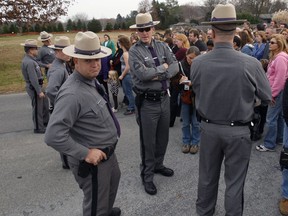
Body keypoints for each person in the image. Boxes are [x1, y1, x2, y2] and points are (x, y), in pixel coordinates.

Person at [190, 4, 271, 215]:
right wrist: (248, 100)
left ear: (213, 32)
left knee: (207, 179)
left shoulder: (198, 63)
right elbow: (266, 96)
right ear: (235, 31)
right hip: (238, 131)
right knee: (234, 184)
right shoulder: (251, 63)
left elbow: (197, 90)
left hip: (209, 128)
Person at [45, 31, 121, 216]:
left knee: (108, 193)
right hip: (94, 162)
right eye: (88, 60)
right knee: (95, 207)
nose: (95, 64)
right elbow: (53, 135)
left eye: (97, 58)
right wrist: (85, 153)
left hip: (108, 154)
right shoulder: (72, 93)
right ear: (75, 61)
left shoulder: (90, 80)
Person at [129, 12, 178, 195]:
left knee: (163, 138)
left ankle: (158, 165)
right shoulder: (134, 51)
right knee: (147, 142)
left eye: (147, 28)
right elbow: (143, 75)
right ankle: (147, 175)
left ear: (153, 29)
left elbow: (174, 67)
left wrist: (160, 72)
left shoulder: (163, 46)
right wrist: (162, 68)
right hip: (147, 103)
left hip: (164, 98)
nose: (144, 33)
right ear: (137, 31)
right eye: (140, 29)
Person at [256, 34, 288, 152]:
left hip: (277, 91)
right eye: (270, 42)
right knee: (279, 117)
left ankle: (269, 144)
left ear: (279, 44)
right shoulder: (277, 56)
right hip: (277, 90)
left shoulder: (280, 58)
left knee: (271, 118)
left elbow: (280, 78)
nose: (270, 44)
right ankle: (279, 138)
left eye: (273, 42)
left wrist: (272, 94)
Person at [46, 36, 71, 169]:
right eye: (64, 50)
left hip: (60, 106)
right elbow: (50, 90)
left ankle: (67, 161)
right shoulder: (58, 69)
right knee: (65, 134)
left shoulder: (60, 65)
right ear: (57, 52)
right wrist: (63, 103)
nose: (68, 53)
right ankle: (67, 162)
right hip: (61, 107)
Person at [21, 39, 49, 134]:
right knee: (38, 108)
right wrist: (38, 91)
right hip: (35, 88)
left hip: (39, 86)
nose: (38, 51)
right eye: (36, 49)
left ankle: (45, 122)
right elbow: (33, 79)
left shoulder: (32, 60)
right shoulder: (29, 62)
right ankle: (38, 127)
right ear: (31, 50)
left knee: (44, 105)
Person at [178, 46, 201, 154]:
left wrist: (193, 83)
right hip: (185, 96)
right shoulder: (180, 65)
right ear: (186, 55)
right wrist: (180, 79)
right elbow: (173, 82)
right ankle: (186, 141)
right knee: (185, 122)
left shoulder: (201, 66)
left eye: (194, 58)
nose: (191, 60)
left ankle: (195, 142)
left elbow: (205, 81)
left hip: (197, 96)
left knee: (196, 122)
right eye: (189, 58)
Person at [118, 36, 135, 115]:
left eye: (119, 42)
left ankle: (131, 107)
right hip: (128, 75)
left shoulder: (125, 53)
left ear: (122, 43)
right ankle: (132, 105)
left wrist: (122, 75)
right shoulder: (128, 52)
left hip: (127, 75)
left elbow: (128, 66)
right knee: (128, 91)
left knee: (128, 92)